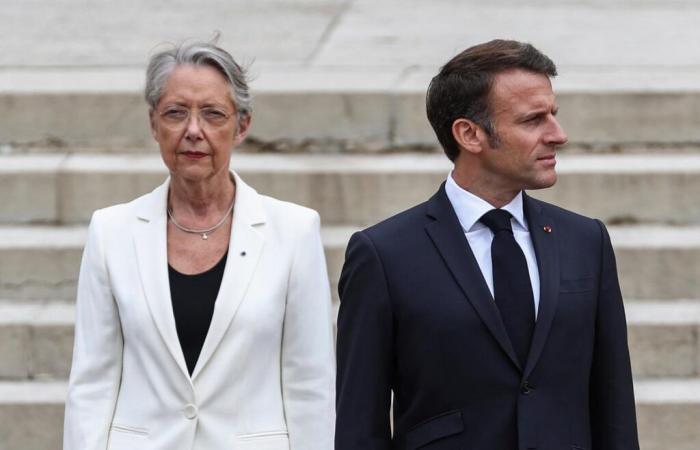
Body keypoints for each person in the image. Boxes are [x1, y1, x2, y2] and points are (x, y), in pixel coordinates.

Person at [336, 39, 639, 450]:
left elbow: (614, 404)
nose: (558, 135)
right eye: (533, 120)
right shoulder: (384, 254)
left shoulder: (587, 241)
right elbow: (359, 424)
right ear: (469, 134)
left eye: (554, 114)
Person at [63, 40, 335, 450]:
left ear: (241, 126)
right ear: (154, 123)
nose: (193, 130)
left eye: (212, 114)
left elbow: (311, 383)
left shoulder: (294, 231)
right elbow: (92, 382)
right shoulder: (111, 231)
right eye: (176, 113)